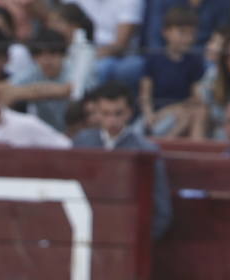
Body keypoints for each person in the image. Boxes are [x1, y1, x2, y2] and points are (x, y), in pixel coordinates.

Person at [72, 81, 173, 239]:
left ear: (129, 113)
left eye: (118, 113)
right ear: (97, 113)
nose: (112, 121)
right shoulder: (82, 142)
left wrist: (141, 240)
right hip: (85, 232)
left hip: (129, 234)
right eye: (106, 113)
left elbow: (161, 209)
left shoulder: (145, 150)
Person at [139, 6, 206, 137]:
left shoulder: (195, 62)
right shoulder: (153, 59)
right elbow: (145, 94)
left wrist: (171, 110)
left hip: (179, 113)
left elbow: (196, 97)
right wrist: (149, 114)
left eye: (191, 34)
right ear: (166, 32)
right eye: (182, 32)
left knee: (188, 115)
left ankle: (165, 145)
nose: (187, 38)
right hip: (154, 115)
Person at [7, 29, 74, 131]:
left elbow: (74, 90)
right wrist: (44, 91)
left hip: (73, 132)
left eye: (52, 53)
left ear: (63, 54)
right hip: (43, 134)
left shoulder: (74, 72)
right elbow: (5, 92)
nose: (46, 60)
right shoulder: (32, 72)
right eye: (40, 54)